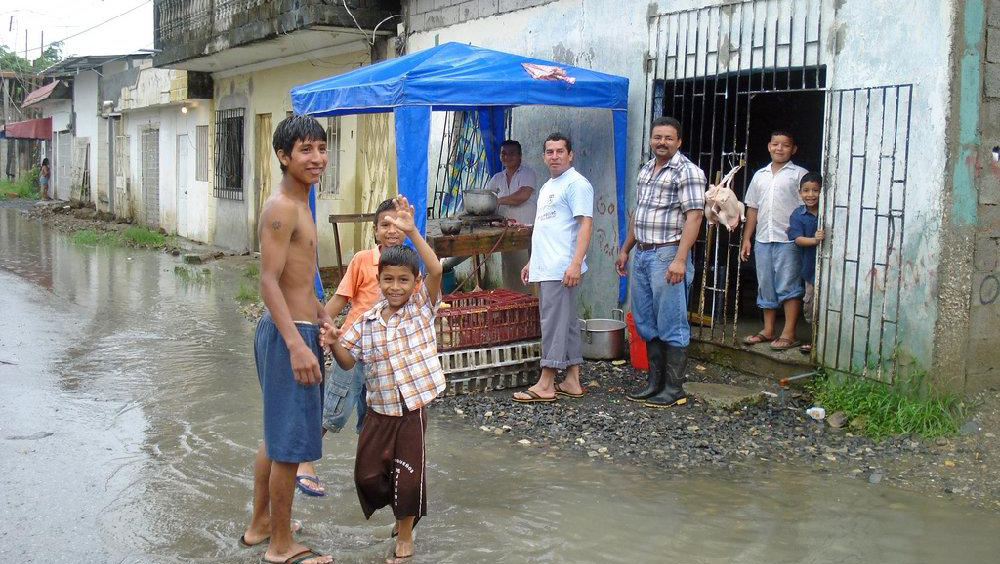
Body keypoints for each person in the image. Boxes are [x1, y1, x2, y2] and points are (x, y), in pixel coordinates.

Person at [325, 195, 445, 564]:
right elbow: (348, 362)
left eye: (403, 280)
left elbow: (436, 270)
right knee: (366, 476)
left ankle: (405, 531)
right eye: (388, 280)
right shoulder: (366, 320)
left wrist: (412, 231)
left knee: (408, 475)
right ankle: (401, 507)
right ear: (377, 281)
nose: (395, 287)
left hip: (411, 408)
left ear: (415, 283)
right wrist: (331, 342)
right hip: (378, 411)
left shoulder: (421, 308)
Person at [240, 115, 334, 564]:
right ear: (283, 156)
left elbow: (299, 281)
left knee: (275, 438)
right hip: (287, 337)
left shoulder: (301, 203)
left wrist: (322, 317)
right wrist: (298, 344)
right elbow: (268, 282)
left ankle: (261, 525)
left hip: (300, 327)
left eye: (321, 148)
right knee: (291, 445)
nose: (316, 158)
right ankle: (281, 547)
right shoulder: (282, 207)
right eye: (305, 150)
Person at [294, 198, 404, 497]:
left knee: (374, 417)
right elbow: (340, 301)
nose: (391, 230)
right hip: (351, 350)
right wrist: (317, 328)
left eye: (397, 224)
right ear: (375, 230)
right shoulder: (361, 261)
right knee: (335, 407)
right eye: (385, 225)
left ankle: (370, 473)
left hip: (386, 356)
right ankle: (304, 461)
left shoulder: (408, 264)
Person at [616, 116, 706, 409]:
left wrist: (680, 259)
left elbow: (695, 217)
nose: (661, 143)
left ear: (678, 141)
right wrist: (625, 249)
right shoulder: (646, 170)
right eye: (657, 137)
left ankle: (674, 388)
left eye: (668, 138)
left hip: (668, 254)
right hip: (642, 253)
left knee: (671, 321)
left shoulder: (687, 171)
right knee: (645, 321)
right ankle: (654, 384)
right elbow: (638, 213)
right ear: (651, 139)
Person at [512, 133, 593, 403]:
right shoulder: (549, 186)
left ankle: (546, 383)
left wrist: (575, 263)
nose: (555, 156)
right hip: (547, 265)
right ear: (543, 156)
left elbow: (585, 225)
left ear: (571, 155)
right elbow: (548, 229)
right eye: (550, 152)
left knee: (552, 324)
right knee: (567, 323)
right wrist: (532, 261)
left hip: (561, 268)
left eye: (560, 151)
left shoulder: (576, 184)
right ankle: (572, 380)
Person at [739, 130, 808, 351]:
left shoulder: (799, 174)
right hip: (763, 239)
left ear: (793, 149)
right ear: (769, 146)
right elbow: (752, 207)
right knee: (765, 284)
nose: (779, 148)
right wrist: (747, 238)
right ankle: (768, 330)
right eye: (775, 144)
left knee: (789, 285)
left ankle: (789, 333)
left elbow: (808, 206)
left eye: (785, 145)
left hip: (789, 241)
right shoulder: (760, 175)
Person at [484, 139, 538, 292]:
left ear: (520, 156)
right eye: (503, 153)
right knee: (510, 270)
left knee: (528, 271)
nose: (507, 157)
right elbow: (487, 200)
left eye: (512, 153)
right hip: (506, 231)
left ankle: (530, 306)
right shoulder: (496, 178)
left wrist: (497, 200)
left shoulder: (527, 173)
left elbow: (522, 196)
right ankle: (513, 305)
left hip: (526, 230)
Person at [787, 172, 825, 354]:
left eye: (816, 190)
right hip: (810, 269)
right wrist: (815, 240)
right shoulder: (798, 215)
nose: (811, 195)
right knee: (811, 306)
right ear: (800, 193)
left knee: (827, 306)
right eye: (806, 190)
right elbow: (797, 239)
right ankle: (814, 340)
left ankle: (822, 344)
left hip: (830, 270)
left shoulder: (830, 211)